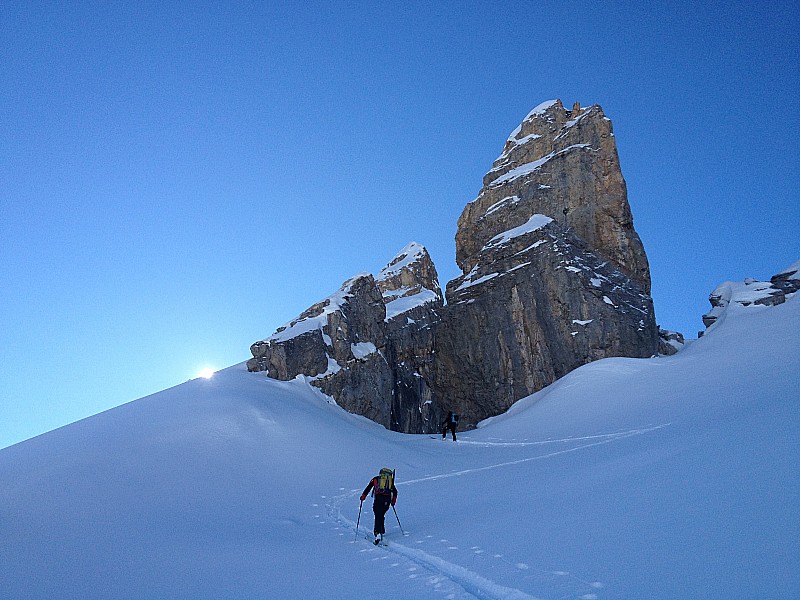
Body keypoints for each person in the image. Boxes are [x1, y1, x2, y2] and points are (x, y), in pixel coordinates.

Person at [360, 467, 398, 544]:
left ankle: (377, 532)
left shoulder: (376, 479)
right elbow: (395, 491)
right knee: (381, 514)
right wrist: (393, 501)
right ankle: (381, 529)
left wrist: (363, 496)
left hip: (378, 499)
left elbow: (368, 487)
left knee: (377, 514)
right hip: (387, 500)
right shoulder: (390, 481)